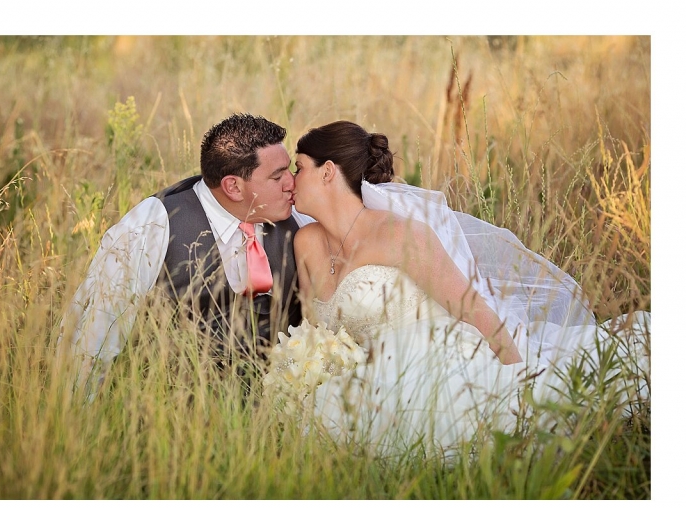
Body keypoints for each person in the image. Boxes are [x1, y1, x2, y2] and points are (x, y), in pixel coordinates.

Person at [273, 120, 650, 455]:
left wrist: (518, 378)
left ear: (327, 172)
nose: (290, 179)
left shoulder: (400, 235)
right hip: (367, 375)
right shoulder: (307, 242)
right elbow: (316, 333)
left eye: (298, 167)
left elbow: (472, 307)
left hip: (436, 360)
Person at [58, 113, 307, 399]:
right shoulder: (153, 224)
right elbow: (97, 332)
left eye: (289, 169)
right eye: (277, 176)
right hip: (173, 414)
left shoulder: (299, 215)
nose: (292, 183)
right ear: (233, 187)